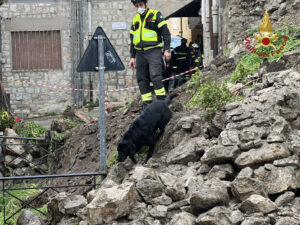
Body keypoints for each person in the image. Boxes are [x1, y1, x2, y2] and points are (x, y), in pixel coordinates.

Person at [129, 0, 171, 108]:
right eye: (137, 6)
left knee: (155, 76)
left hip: (154, 51)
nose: (139, 7)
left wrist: (167, 50)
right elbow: (132, 39)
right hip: (140, 53)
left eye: (141, 5)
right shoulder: (135, 19)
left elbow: (166, 33)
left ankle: (162, 103)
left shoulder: (155, 15)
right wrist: (132, 57)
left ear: (145, 4)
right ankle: (147, 106)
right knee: (141, 79)